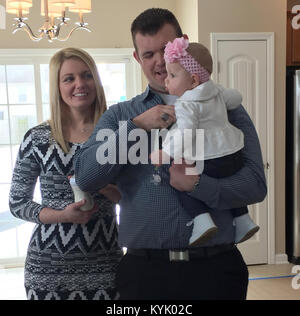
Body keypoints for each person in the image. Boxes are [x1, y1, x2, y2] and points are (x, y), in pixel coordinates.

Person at [74, 8, 267, 300]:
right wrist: (137, 127)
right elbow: (87, 176)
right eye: (148, 54)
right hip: (144, 275)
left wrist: (199, 186)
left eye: (165, 50)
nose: (160, 62)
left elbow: (255, 183)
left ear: (182, 45)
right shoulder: (122, 116)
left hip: (218, 271)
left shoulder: (226, 108)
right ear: (138, 58)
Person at [9, 47, 122, 300]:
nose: (79, 84)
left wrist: (100, 182)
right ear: (57, 86)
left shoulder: (116, 136)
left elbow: (134, 197)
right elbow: (18, 203)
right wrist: (62, 215)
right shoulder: (37, 138)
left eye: (87, 75)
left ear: (96, 80)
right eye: (69, 78)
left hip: (107, 268)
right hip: (48, 271)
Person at [150, 36, 259, 247]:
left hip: (207, 158)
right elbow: (235, 98)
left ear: (193, 81)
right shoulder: (216, 91)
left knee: (179, 182)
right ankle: (243, 219)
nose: (166, 79)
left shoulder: (186, 103)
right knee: (226, 176)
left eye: (172, 75)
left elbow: (186, 132)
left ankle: (201, 221)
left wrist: (166, 153)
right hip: (232, 154)